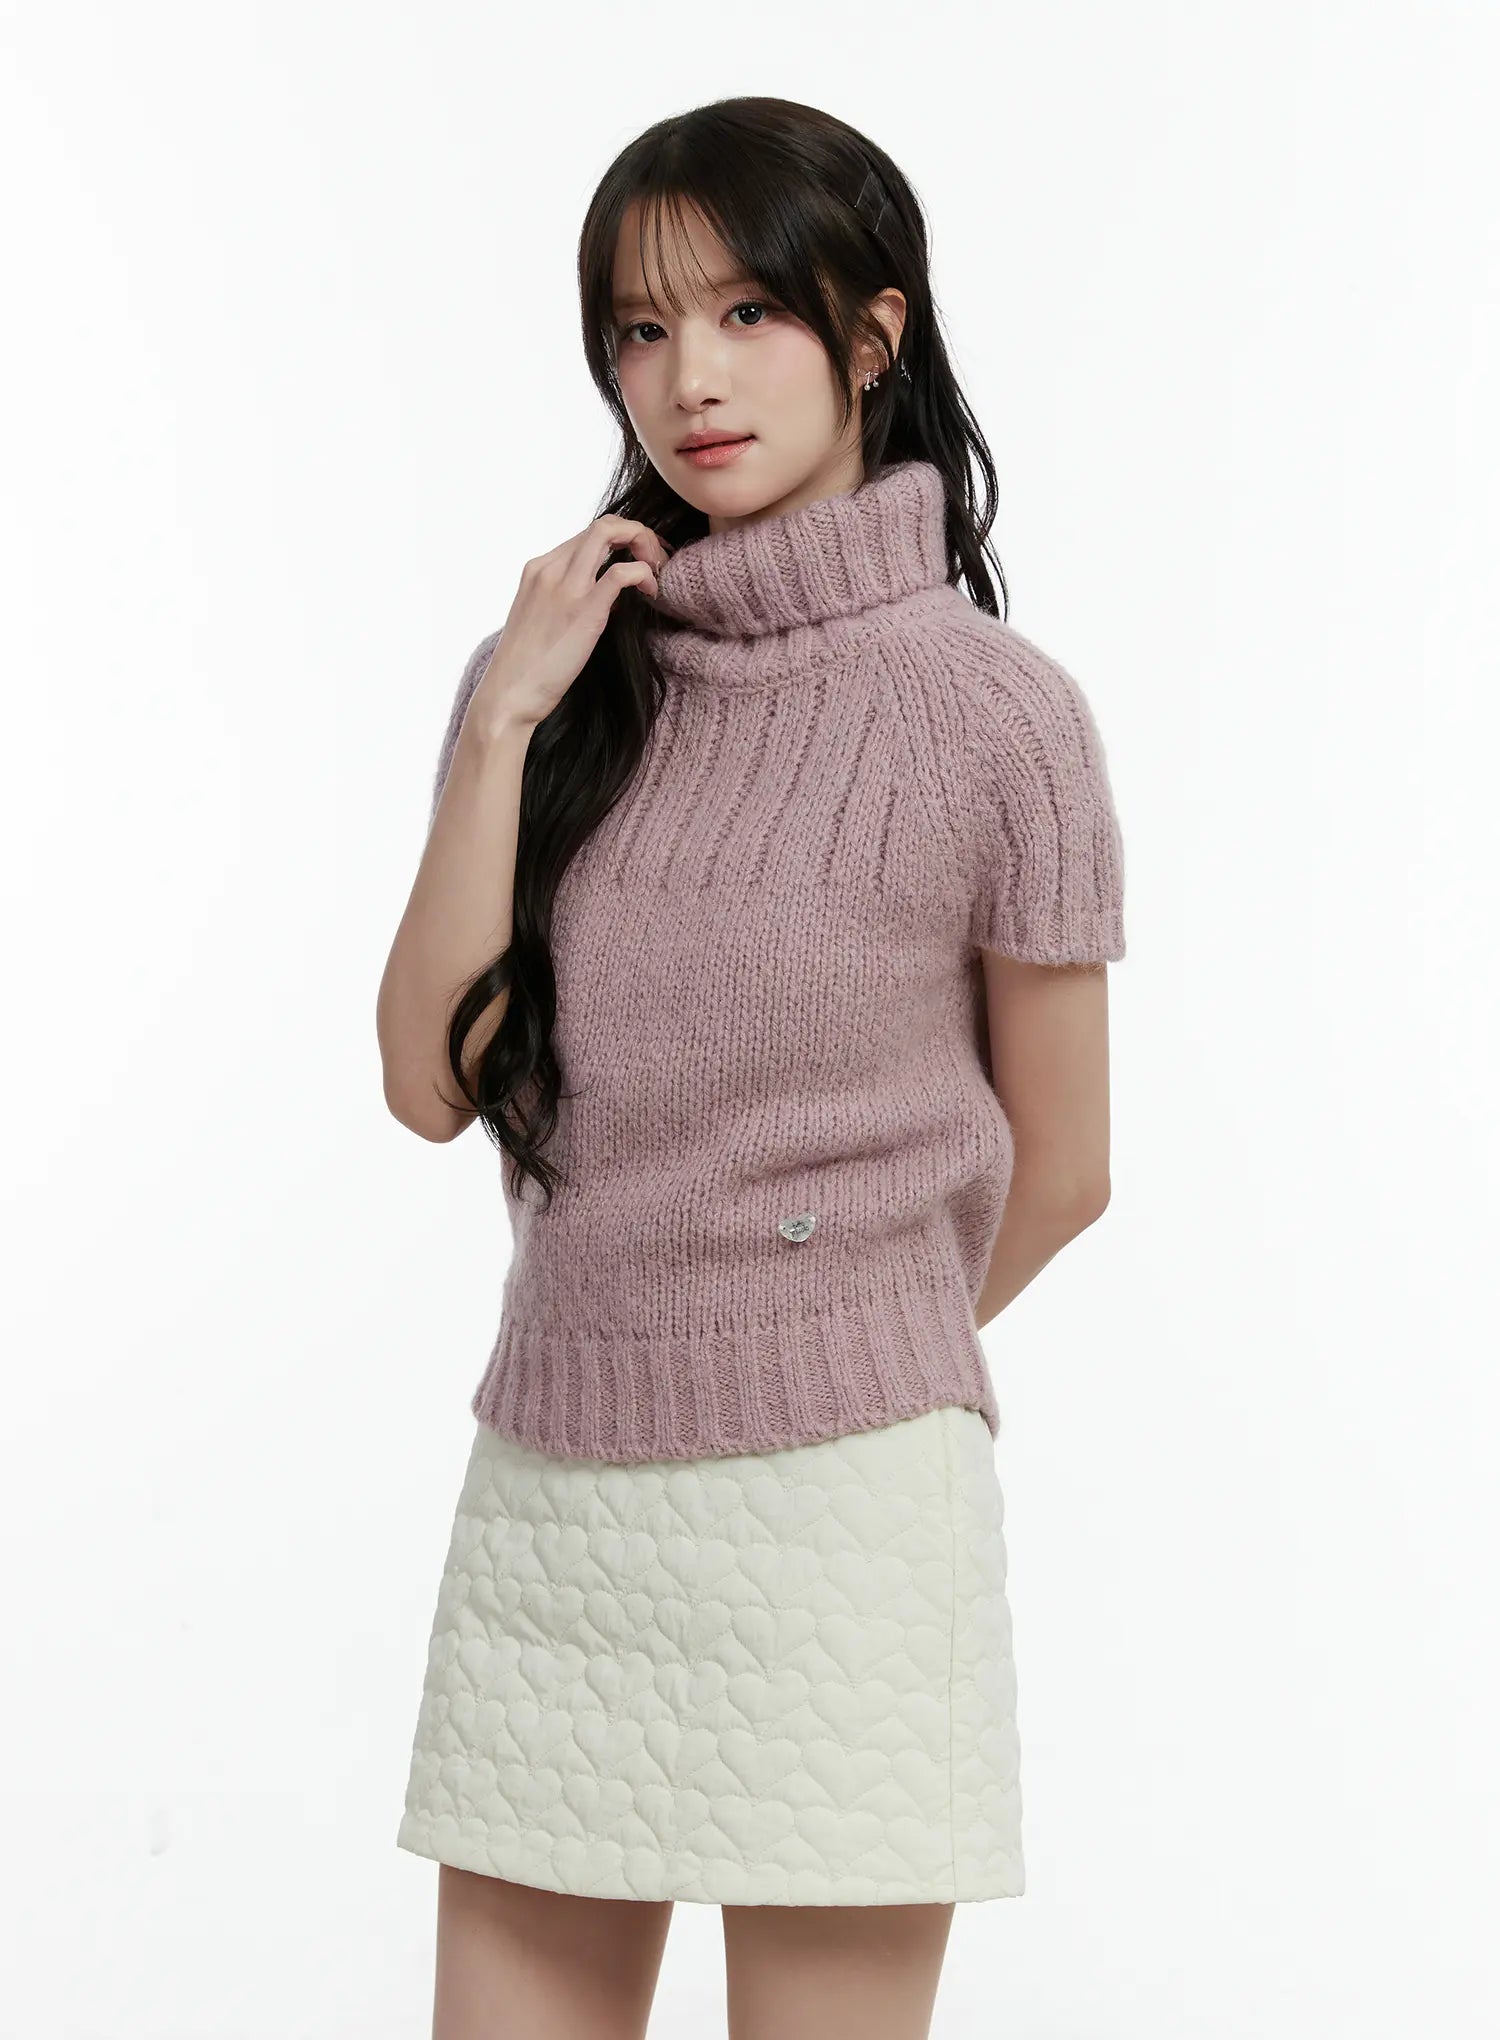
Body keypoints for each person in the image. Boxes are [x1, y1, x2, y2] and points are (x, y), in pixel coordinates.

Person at [376, 94, 1126, 2040]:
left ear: (873, 335)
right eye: (640, 330)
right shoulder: (557, 683)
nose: (688, 379)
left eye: (745, 314)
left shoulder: (1001, 721)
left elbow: (1067, 1168)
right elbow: (428, 1083)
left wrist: (815, 1337)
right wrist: (500, 726)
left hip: (845, 1521)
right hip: (557, 1491)